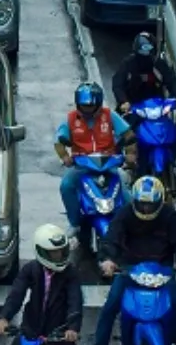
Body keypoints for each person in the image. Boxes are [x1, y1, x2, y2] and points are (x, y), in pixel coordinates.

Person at [90, 177, 176, 345]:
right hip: (130, 268)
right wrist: (108, 260)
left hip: (161, 268)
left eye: (150, 205)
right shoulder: (125, 214)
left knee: (175, 302)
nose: (145, 209)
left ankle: (175, 333)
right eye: (142, 204)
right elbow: (111, 239)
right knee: (111, 305)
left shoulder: (169, 215)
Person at [54, 82, 134, 234]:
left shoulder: (109, 115)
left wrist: (130, 154)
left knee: (126, 194)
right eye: (84, 106)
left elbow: (128, 135)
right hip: (82, 165)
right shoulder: (71, 119)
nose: (87, 110)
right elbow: (59, 141)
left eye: (90, 106)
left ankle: (130, 226)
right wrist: (65, 157)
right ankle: (75, 223)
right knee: (66, 186)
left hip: (109, 163)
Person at [112, 31, 176, 115]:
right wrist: (123, 101)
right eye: (142, 52)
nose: (145, 55)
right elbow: (117, 84)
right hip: (132, 107)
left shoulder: (158, 64)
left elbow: (170, 79)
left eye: (149, 51)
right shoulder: (128, 64)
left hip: (156, 108)